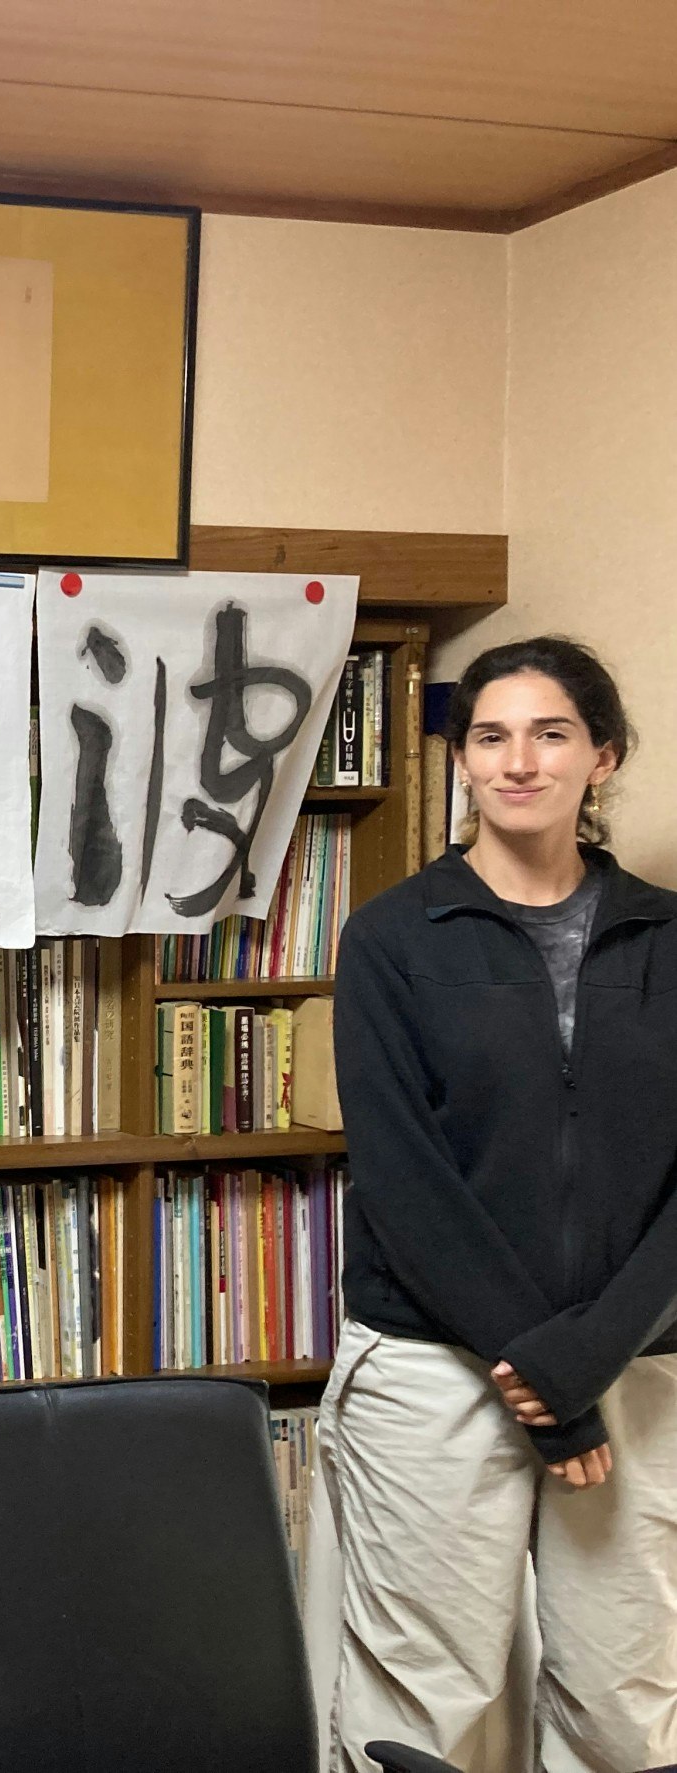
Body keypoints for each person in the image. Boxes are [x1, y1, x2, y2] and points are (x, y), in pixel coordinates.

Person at [327, 635, 677, 1773]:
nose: (519, 761)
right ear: (462, 762)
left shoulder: (671, 937)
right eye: (491, 737)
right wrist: (543, 1377)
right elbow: (402, 1176)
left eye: (551, 733)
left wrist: (588, 1358)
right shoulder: (391, 937)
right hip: (436, 1369)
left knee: (625, 1710)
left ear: (602, 756)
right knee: (432, 1707)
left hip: (637, 1367)